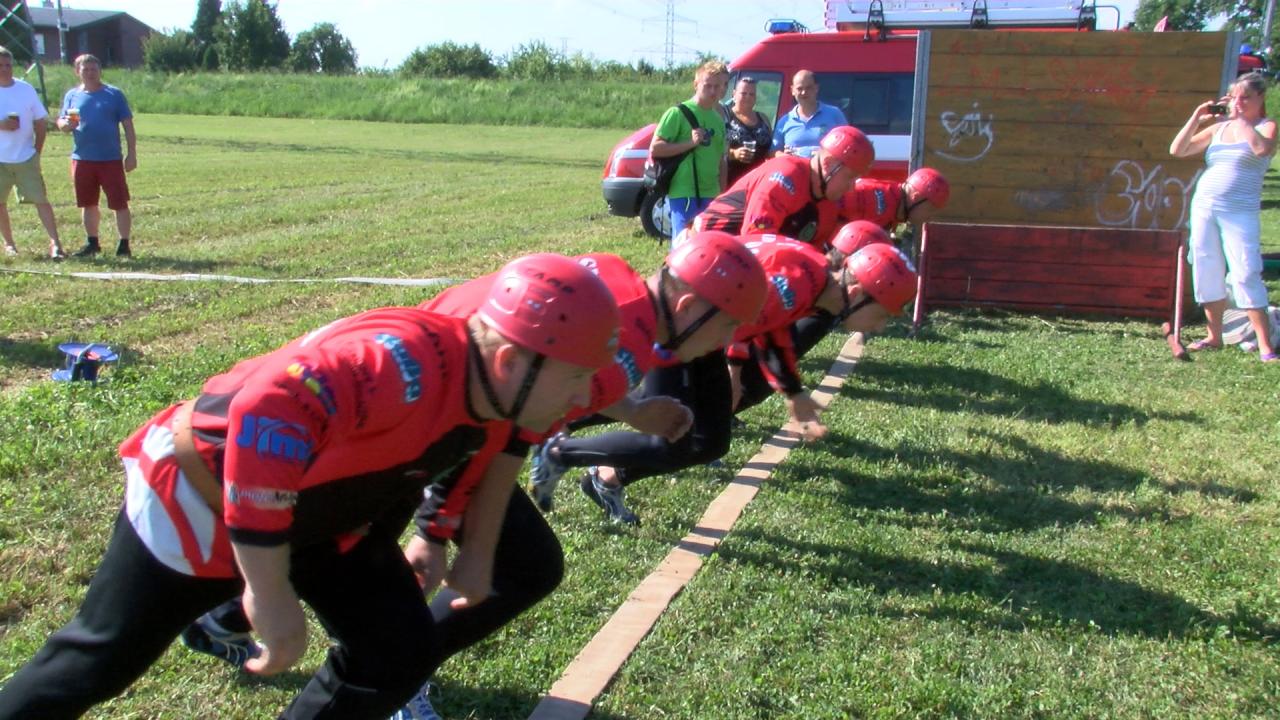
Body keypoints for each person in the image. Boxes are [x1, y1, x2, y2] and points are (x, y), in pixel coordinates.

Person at [0, 254, 622, 720]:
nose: (581, 398)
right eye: (575, 378)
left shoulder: (494, 391)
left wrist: (439, 537)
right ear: (512, 360)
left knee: (397, 650)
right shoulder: (401, 364)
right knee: (97, 663)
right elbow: (267, 410)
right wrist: (269, 591)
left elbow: (473, 450)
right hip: (198, 497)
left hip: (314, 518)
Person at [548, 234, 914, 525]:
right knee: (668, 436)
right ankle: (561, 450)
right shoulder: (798, 283)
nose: (880, 326)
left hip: (702, 331)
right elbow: (742, 322)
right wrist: (734, 370)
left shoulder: (813, 278)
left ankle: (575, 445)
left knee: (710, 442)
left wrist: (792, 391)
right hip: (689, 331)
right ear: (856, 293)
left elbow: (770, 328)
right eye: (883, 315)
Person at [1170, 70, 1278, 363]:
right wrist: (1197, 117)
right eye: (1234, 98)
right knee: (1206, 266)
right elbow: (1178, 149)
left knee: (1245, 271)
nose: (1238, 103)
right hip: (1205, 206)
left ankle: (1265, 345)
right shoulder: (1218, 129)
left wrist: (1241, 120)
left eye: (1245, 98)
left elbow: (1262, 150)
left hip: (1240, 211)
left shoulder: (1266, 126)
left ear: (1260, 98)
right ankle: (1213, 336)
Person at [694, 125, 874, 247]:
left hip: (739, 259)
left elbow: (813, 256)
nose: (851, 188)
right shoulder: (784, 177)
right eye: (850, 177)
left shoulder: (829, 207)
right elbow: (756, 240)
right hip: (703, 249)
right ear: (828, 164)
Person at [57, 53, 137, 258]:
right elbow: (62, 121)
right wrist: (65, 125)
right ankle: (92, 243)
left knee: (119, 202)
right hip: (82, 158)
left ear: (100, 71)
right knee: (87, 203)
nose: (90, 73)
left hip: (110, 159)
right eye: (86, 69)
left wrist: (131, 154)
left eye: (94, 69)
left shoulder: (113, 94)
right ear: (78, 72)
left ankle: (124, 244)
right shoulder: (72, 96)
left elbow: (128, 125)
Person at [0, 46, 65, 259]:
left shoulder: (25, 89)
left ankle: (55, 243)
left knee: (41, 200)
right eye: (0, 65)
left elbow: (40, 121)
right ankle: (9, 244)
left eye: (8, 65)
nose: (4, 69)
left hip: (25, 157)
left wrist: (37, 150)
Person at [651, 60, 729, 235]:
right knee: (684, 243)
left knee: (708, 244)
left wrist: (723, 194)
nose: (713, 91)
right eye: (707, 85)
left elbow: (721, 160)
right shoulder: (677, 113)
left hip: (711, 193)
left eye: (717, 86)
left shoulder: (718, 120)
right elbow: (655, 148)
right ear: (696, 84)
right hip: (684, 192)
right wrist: (690, 143)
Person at [838, 166, 951, 235]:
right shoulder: (877, 203)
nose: (929, 217)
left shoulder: (893, 198)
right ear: (915, 197)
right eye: (930, 210)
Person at [771, 70, 847, 158]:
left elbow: (847, 144)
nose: (804, 92)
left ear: (816, 88)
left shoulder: (834, 114)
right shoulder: (785, 121)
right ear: (792, 90)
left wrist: (826, 154)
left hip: (825, 166)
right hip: (795, 166)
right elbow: (773, 152)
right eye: (799, 89)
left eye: (808, 88)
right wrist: (784, 156)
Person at [722, 76, 773, 186]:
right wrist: (734, 153)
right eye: (743, 93)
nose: (748, 97)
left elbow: (770, 149)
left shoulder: (763, 118)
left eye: (751, 94)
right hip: (733, 181)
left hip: (759, 182)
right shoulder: (725, 116)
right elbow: (714, 148)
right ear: (734, 94)